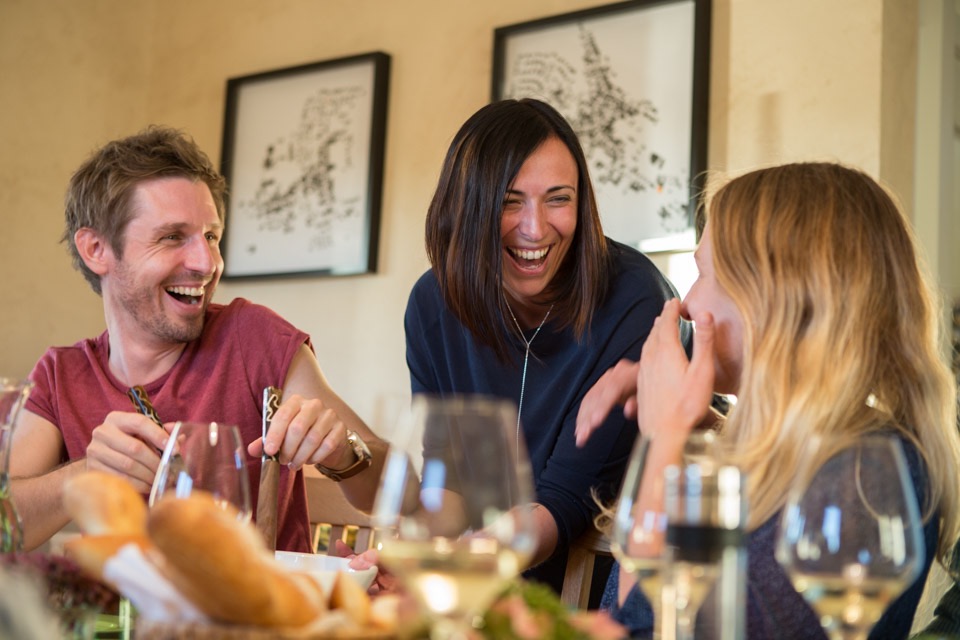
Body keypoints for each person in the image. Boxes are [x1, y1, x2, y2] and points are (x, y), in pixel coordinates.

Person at [575, 162, 960, 638]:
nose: (689, 303)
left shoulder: (866, 476)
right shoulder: (824, 451)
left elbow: (645, 630)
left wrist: (663, 440)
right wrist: (700, 426)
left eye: (706, 274)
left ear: (775, 299)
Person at [11, 126, 387, 553]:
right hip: (119, 620)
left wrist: (343, 451)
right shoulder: (63, 375)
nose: (207, 263)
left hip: (255, 617)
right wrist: (80, 475)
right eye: (172, 237)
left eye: (211, 236)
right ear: (97, 249)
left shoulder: (255, 338)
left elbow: (401, 491)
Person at [404, 98, 684, 595]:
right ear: (465, 207)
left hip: (605, 593)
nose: (535, 228)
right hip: (491, 590)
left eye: (558, 199)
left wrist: (470, 563)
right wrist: (413, 555)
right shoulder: (433, 303)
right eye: (510, 201)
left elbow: (566, 501)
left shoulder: (634, 298)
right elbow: (447, 482)